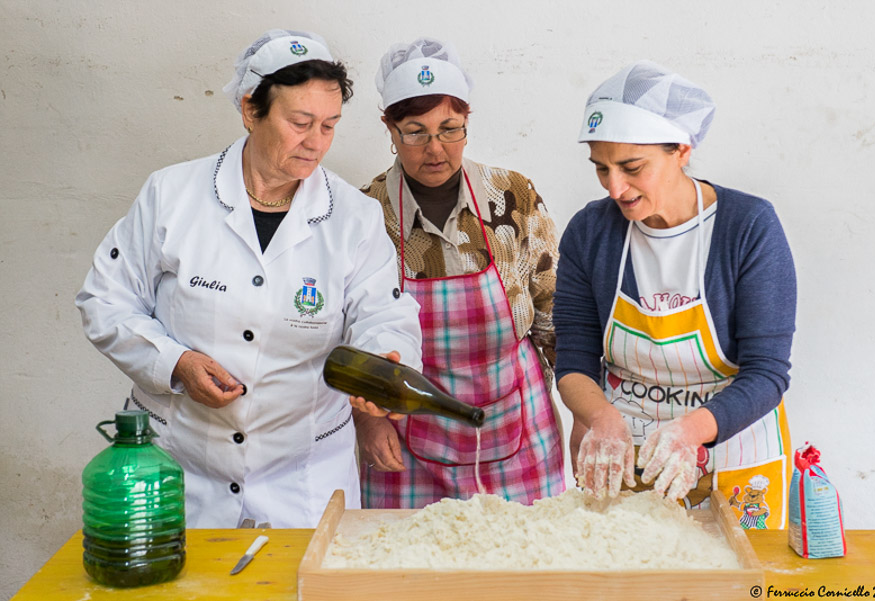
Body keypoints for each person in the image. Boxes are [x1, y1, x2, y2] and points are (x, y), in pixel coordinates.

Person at [75, 29, 422, 529]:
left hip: (304, 476)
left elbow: (383, 315)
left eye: (329, 125)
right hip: (184, 469)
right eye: (300, 122)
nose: (316, 142)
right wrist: (176, 363)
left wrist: (384, 359)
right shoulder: (172, 195)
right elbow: (104, 300)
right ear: (250, 110)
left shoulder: (353, 217)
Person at [554, 60, 795, 529]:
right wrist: (600, 420)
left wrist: (690, 432)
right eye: (601, 169)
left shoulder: (747, 227)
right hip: (626, 449)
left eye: (632, 167)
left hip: (734, 447)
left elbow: (767, 373)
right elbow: (573, 364)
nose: (615, 187)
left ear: (682, 149)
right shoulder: (590, 232)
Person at [350, 37, 565, 509]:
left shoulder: (512, 196)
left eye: (450, 129)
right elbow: (346, 340)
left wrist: (582, 408)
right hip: (406, 442)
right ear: (388, 128)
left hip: (517, 424)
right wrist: (369, 420)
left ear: (468, 123)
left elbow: (553, 313)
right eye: (414, 131)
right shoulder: (364, 212)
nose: (435, 149)